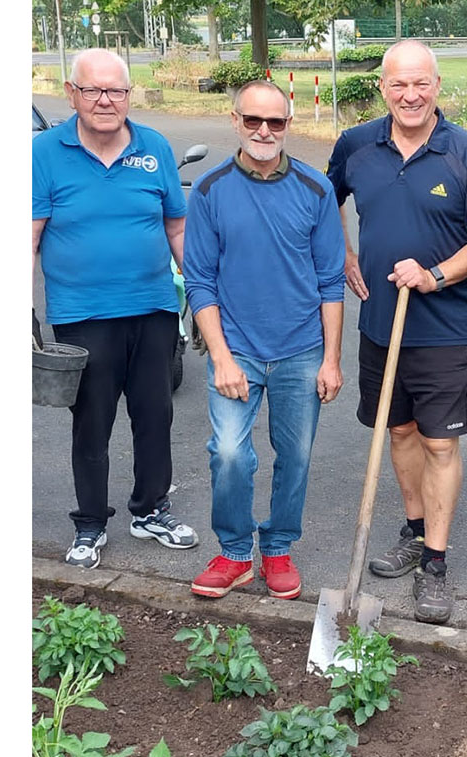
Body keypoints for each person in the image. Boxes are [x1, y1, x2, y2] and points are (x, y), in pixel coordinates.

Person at [325, 40, 467, 623]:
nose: (411, 94)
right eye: (399, 84)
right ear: (383, 88)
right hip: (378, 323)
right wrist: (343, 252)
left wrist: (435, 274)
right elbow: (326, 201)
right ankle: (414, 530)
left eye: (421, 83)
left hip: (443, 327)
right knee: (398, 435)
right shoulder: (356, 145)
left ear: (438, 85)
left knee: (440, 443)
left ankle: (436, 566)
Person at [33, 48, 197, 570]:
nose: (106, 100)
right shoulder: (44, 152)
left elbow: (177, 226)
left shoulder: (154, 148)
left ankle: (150, 510)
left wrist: (203, 292)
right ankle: (89, 523)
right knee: (92, 420)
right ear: (72, 93)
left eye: (117, 91)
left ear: (130, 94)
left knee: (155, 414)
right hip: (81, 315)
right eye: (94, 90)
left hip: (152, 308)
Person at [184, 81, 346, 601]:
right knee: (229, 453)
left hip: (301, 352)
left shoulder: (315, 189)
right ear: (236, 121)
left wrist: (332, 360)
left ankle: (277, 547)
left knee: (295, 455)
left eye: (275, 122)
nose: (264, 131)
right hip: (237, 351)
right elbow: (200, 282)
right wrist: (222, 358)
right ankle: (234, 552)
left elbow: (331, 282)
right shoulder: (209, 190)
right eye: (253, 120)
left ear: (288, 125)